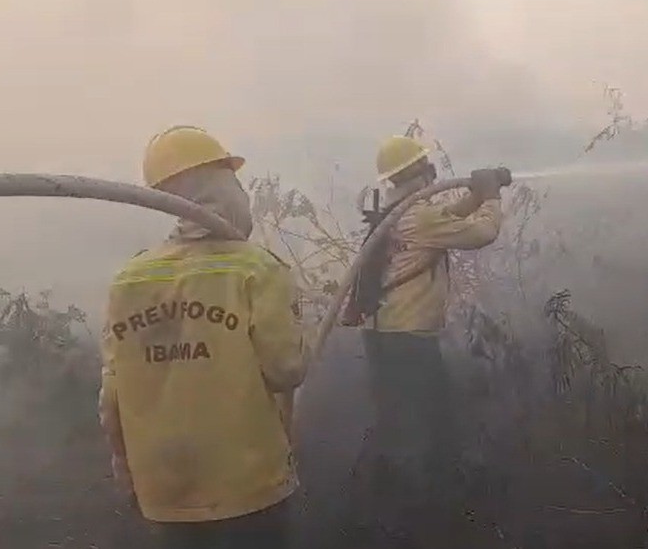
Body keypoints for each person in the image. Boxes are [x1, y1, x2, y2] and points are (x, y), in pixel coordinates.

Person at [99, 126, 309, 549]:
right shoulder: (255, 268)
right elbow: (287, 370)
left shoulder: (129, 278)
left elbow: (111, 396)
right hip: (247, 484)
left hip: (164, 487)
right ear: (227, 187)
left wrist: (125, 469)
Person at [344, 135, 503, 528]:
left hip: (386, 335)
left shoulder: (403, 212)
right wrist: (492, 197)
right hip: (408, 341)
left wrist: (476, 194)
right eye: (427, 165)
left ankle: (386, 504)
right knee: (422, 429)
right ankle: (416, 519)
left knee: (400, 422)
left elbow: (448, 216)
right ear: (421, 171)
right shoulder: (419, 216)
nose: (433, 171)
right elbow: (482, 234)